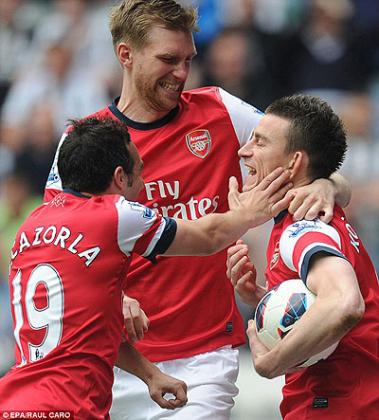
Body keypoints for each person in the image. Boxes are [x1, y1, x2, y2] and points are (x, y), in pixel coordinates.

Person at [44, 1, 351, 418]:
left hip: (203, 359)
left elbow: (312, 164)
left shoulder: (220, 110)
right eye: (168, 60)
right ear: (126, 55)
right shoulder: (85, 141)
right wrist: (115, 297)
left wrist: (326, 185)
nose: (182, 73)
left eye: (188, 59)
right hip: (116, 358)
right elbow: (56, 251)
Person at [0, 116, 294, 418]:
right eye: (139, 173)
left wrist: (150, 374)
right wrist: (250, 212)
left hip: (14, 401)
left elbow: (83, 333)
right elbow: (209, 236)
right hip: (68, 406)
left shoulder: (31, 225)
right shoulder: (115, 214)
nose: (143, 184)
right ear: (119, 177)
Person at [227, 94, 379, 419]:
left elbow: (345, 302)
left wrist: (272, 363)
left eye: (260, 142)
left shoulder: (302, 229)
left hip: (335, 402)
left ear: (294, 163)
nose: (244, 151)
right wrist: (267, 298)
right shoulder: (323, 211)